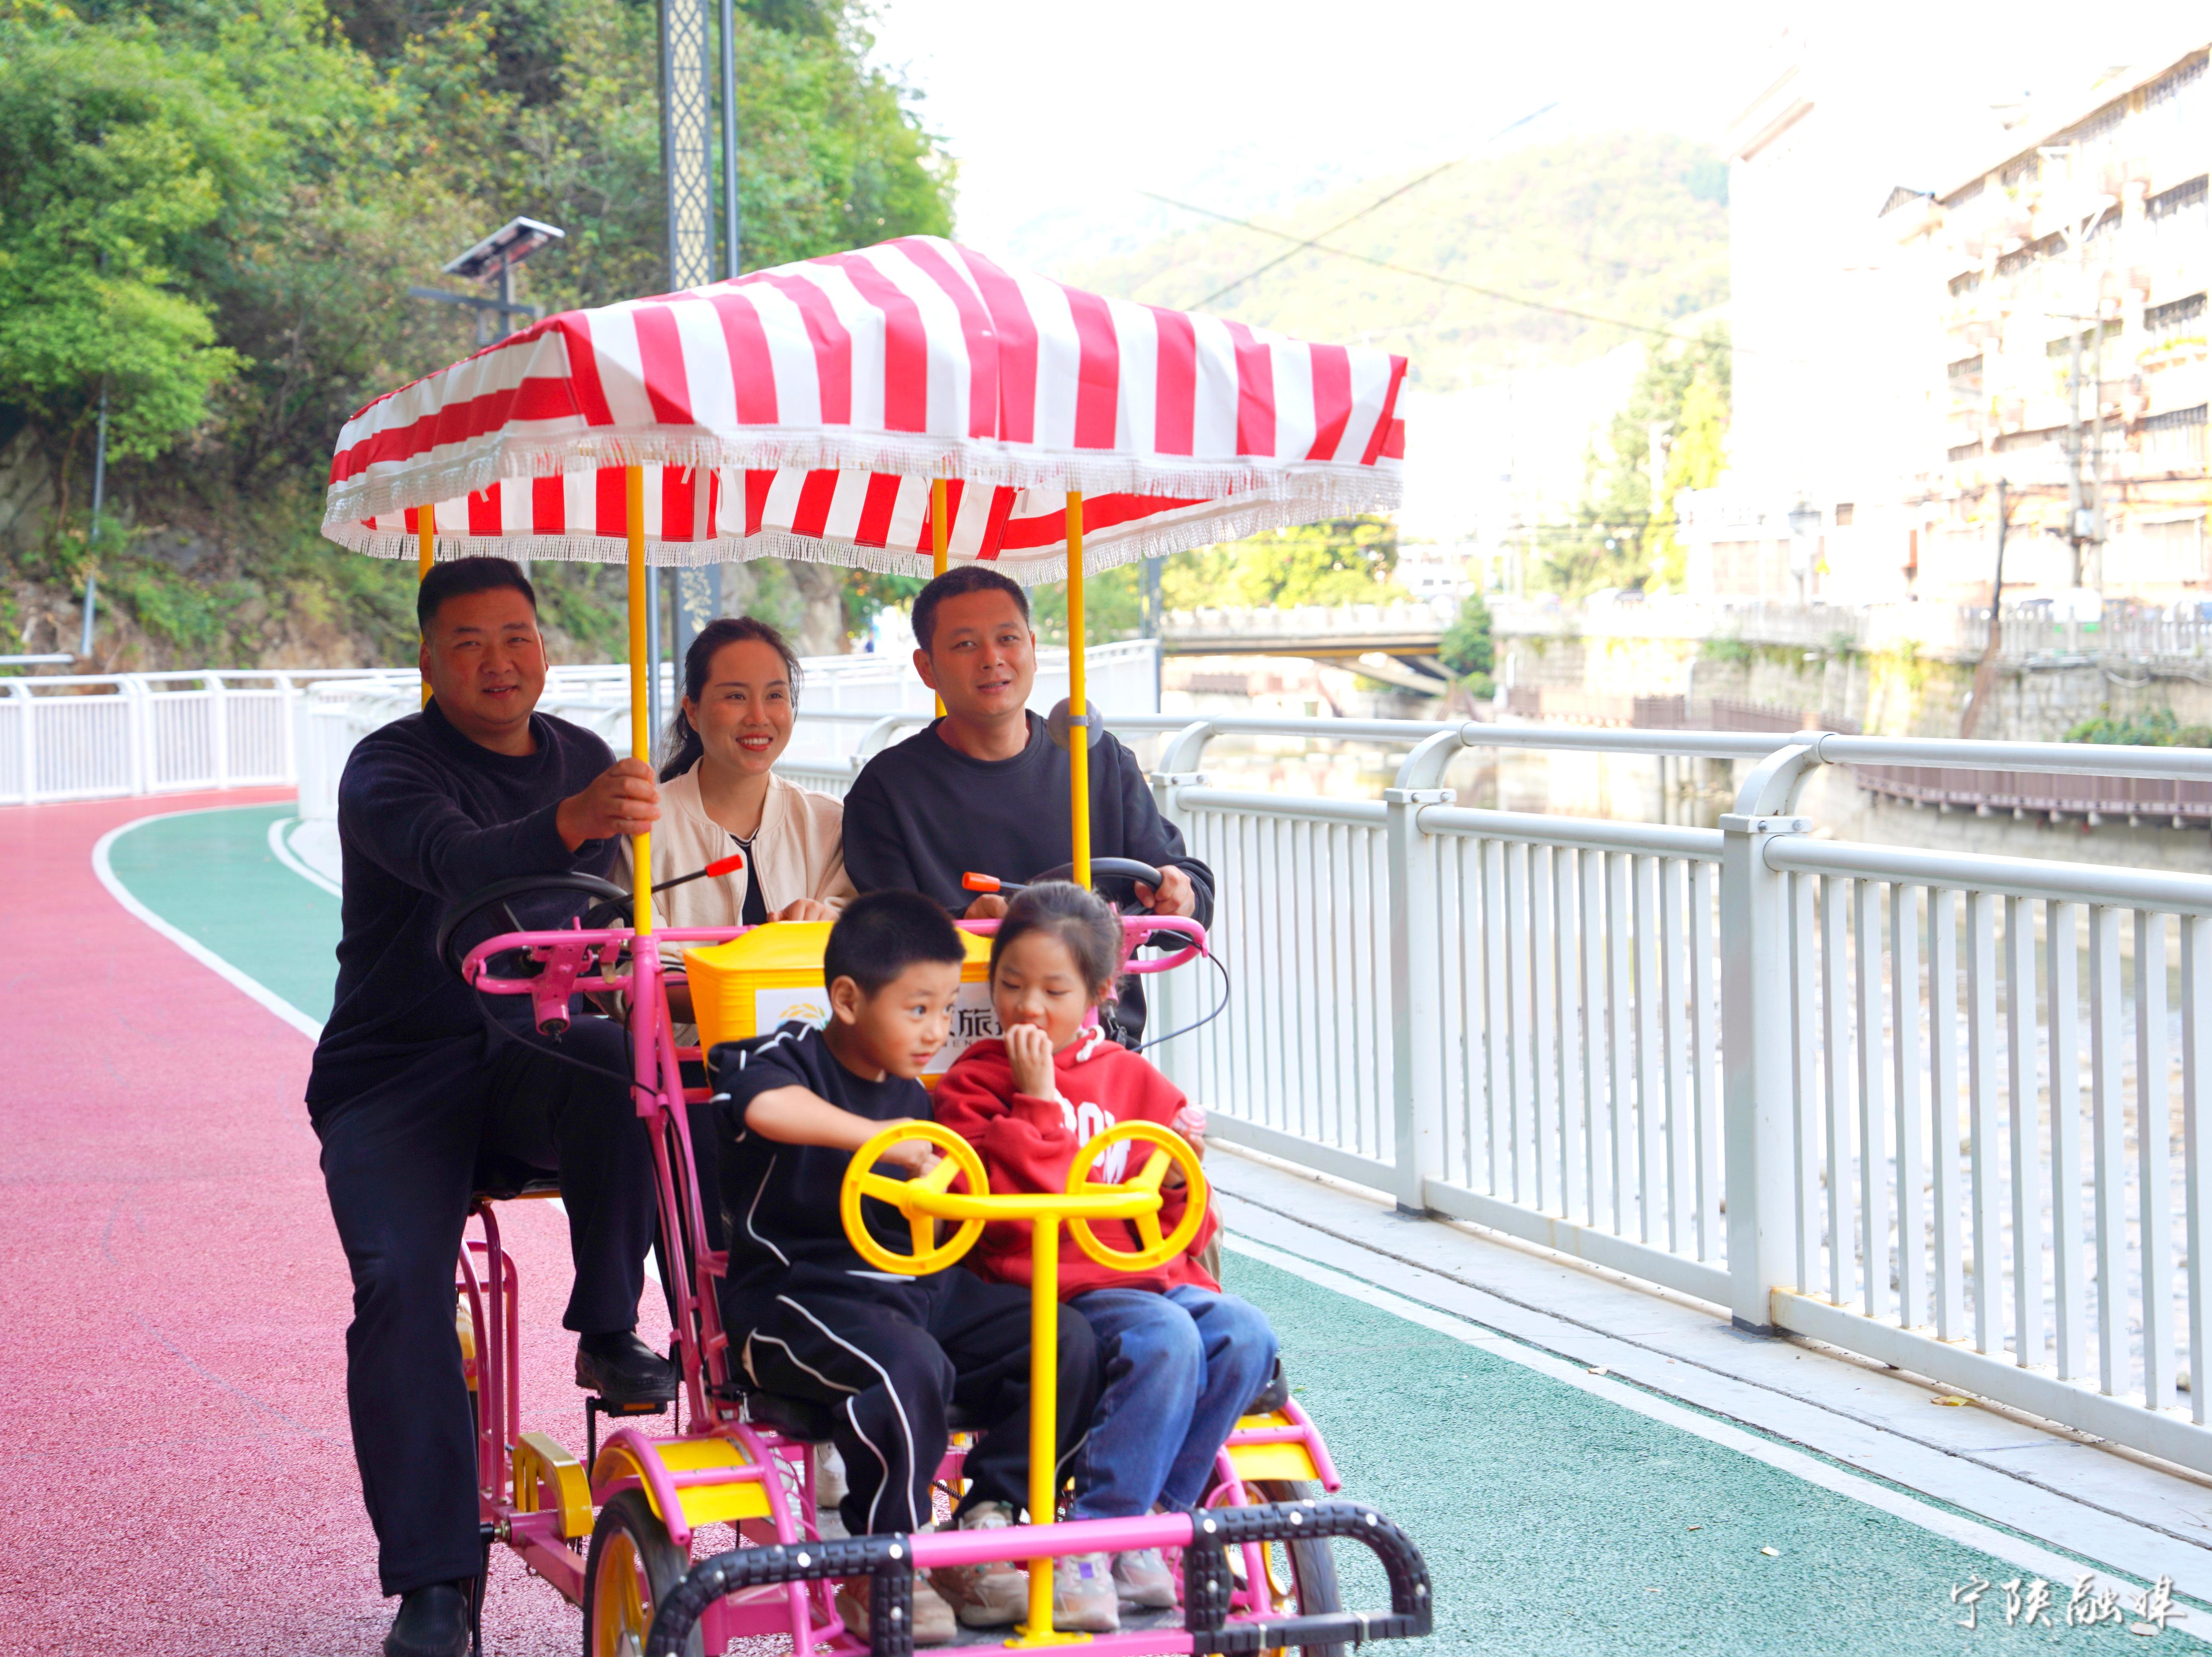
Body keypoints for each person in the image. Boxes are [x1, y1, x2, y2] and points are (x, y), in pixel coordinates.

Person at [307, 557, 675, 1657]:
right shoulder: (389, 767)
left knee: (630, 1064)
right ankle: (432, 1586)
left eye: (516, 636)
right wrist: (571, 821)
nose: (498, 661)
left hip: (530, 1055)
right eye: (468, 643)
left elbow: (611, 919)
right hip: (396, 1072)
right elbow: (455, 860)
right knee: (399, 1285)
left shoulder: (584, 757)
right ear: (429, 659)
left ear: (544, 648)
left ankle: (608, 1328)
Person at [708, 890, 1104, 1644]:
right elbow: (763, 1109)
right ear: (848, 1000)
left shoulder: (919, 1099)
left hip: (915, 1292)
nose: (937, 1031)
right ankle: (882, 1562)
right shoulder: (783, 1058)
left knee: (1067, 1341)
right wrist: (876, 1138)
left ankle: (989, 1522)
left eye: (947, 1009)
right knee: (906, 1365)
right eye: (918, 1009)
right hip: (799, 1301)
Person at [933, 882, 1276, 1632]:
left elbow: (1186, 1229)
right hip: (1053, 1282)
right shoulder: (976, 1083)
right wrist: (1036, 1100)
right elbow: (1002, 1218)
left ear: (1098, 993)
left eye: (1054, 991)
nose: (1028, 1007)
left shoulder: (1135, 1081)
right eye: (1011, 985)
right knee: (1166, 1336)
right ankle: (1094, 1538)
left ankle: (1151, 1520)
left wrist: (1181, 1179)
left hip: (1148, 1276)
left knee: (1246, 1334)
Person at [840, 566, 1213, 1044]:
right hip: (951, 1050)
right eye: (965, 644)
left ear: (1033, 648)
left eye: (1008, 639)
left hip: (1098, 1047)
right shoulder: (885, 788)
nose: (992, 659)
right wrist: (962, 925)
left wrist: (1182, 893)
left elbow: (1184, 902)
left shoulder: (1094, 756)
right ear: (926, 667)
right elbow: (882, 942)